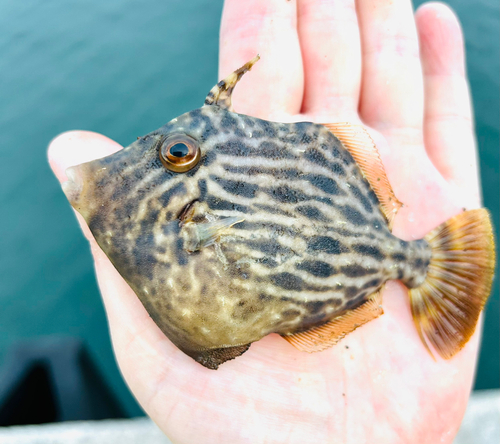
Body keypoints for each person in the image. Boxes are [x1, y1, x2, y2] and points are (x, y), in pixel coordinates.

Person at [48, 1, 482, 442]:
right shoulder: (165, 218)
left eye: (176, 153)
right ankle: (412, 260)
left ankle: (417, 261)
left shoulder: (185, 213)